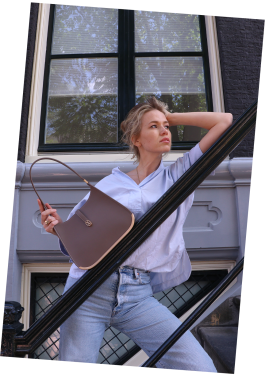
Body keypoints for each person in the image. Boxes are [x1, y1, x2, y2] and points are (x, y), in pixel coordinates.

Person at [38, 97, 233, 369]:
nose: (165, 131)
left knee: (198, 365)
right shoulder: (111, 183)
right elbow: (79, 240)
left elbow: (224, 122)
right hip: (88, 289)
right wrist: (56, 227)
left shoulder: (180, 174)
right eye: (154, 126)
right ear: (136, 139)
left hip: (137, 294)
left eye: (167, 127)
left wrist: (167, 116)